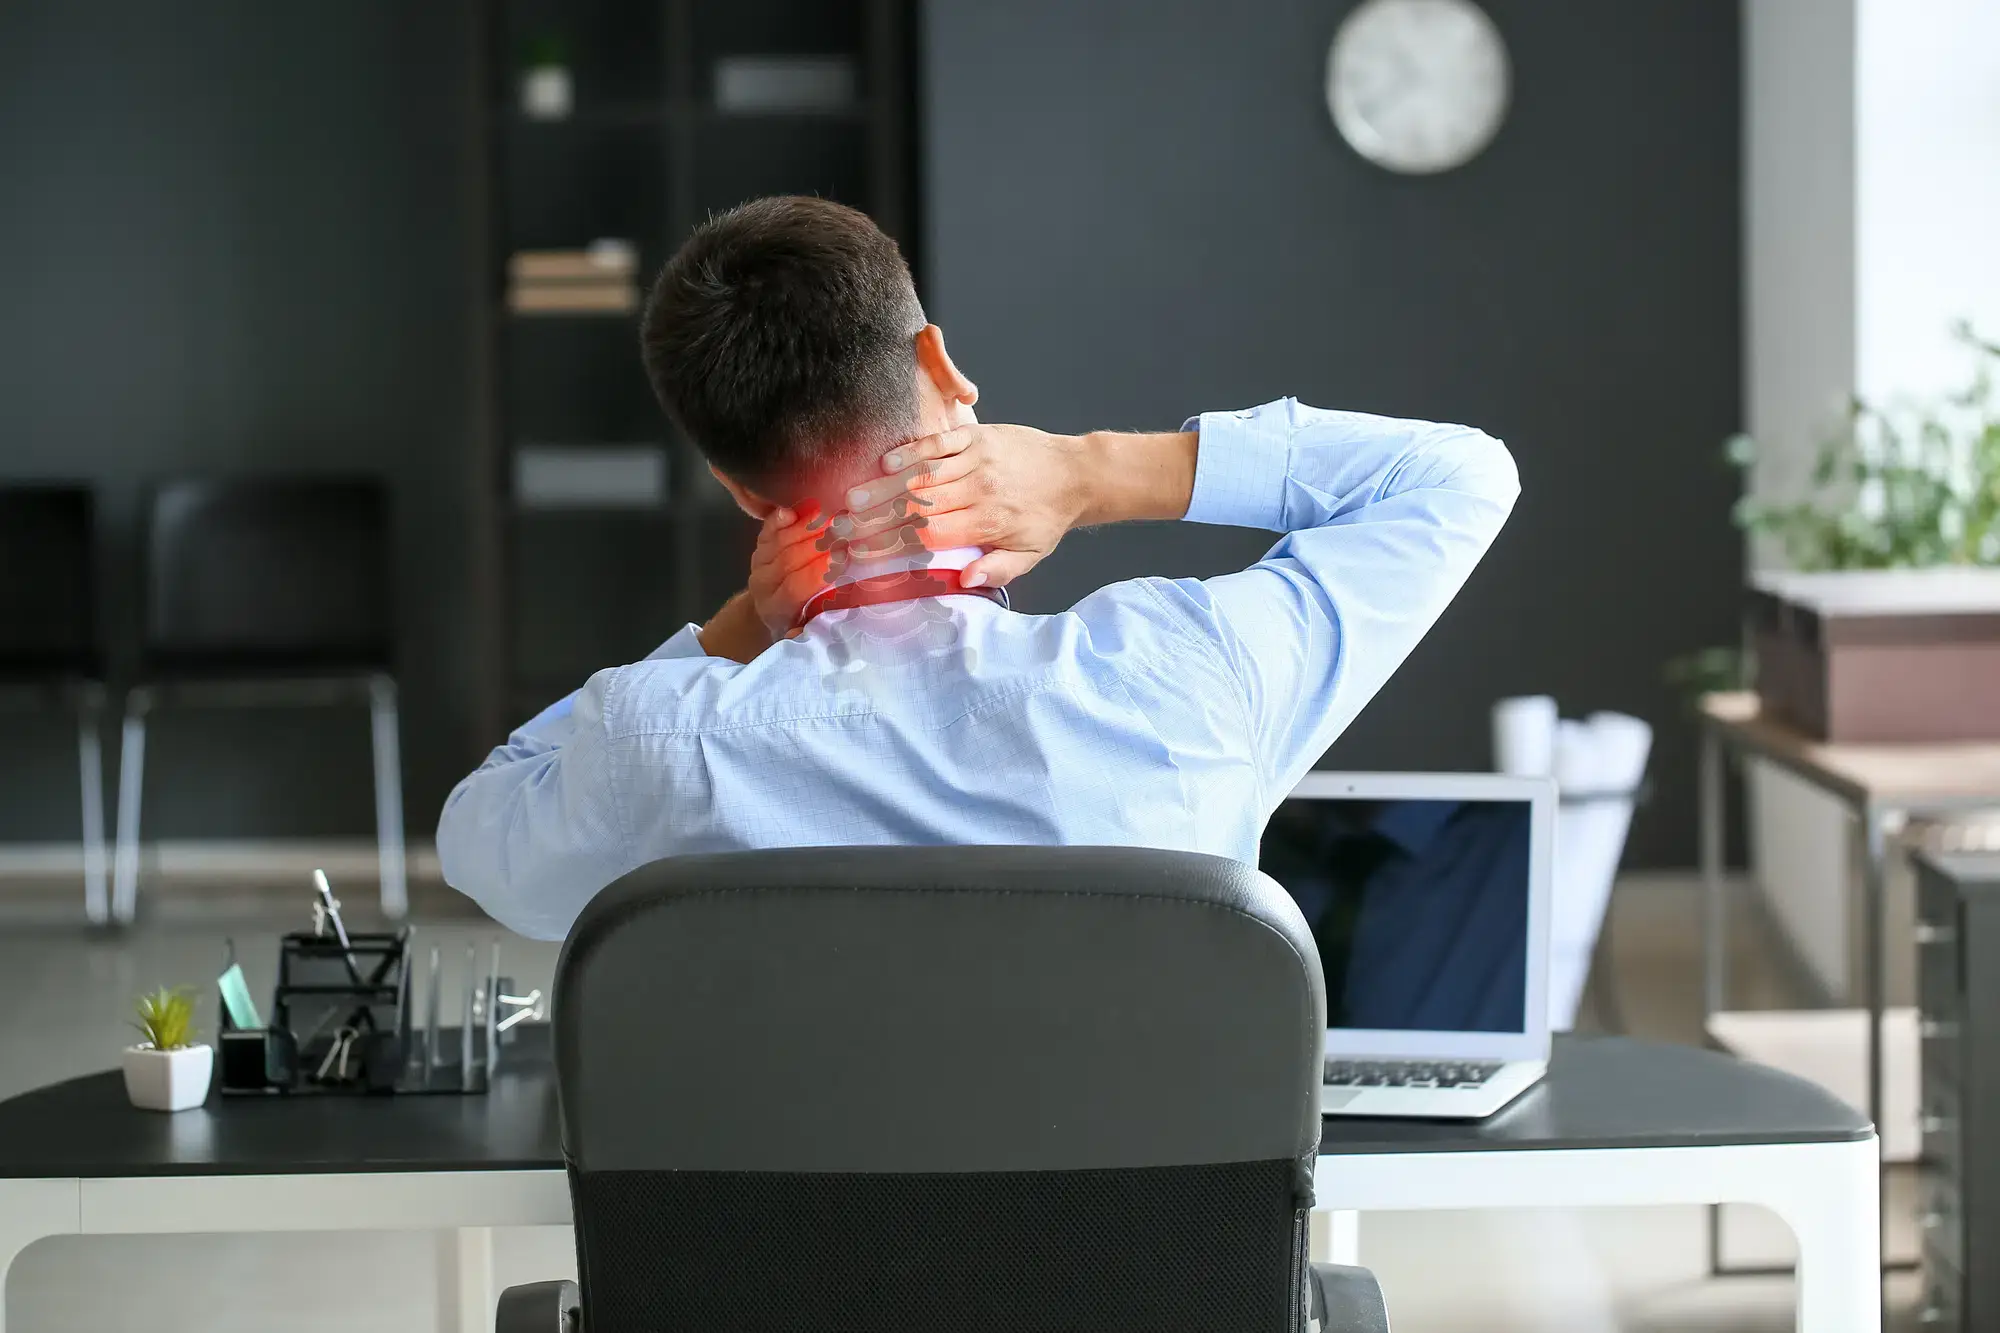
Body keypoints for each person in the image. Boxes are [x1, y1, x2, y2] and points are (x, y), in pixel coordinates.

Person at [437, 196, 1520, 941]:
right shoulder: (1189, 680)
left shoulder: (653, 745)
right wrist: (1094, 472)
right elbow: (1458, 478)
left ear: (744, 493)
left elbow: (477, 830)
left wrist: (738, 630)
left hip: (785, 1280)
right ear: (939, 366)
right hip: (1150, 1277)